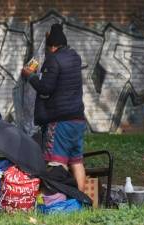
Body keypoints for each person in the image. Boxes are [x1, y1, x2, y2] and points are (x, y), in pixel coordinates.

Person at [22, 23, 87, 192]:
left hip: (61, 122)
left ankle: (60, 201)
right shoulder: (75, 57)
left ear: (52, 46)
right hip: (78, 120)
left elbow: (46, 88)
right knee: (77, 161)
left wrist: (30, 76)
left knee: (58, 162)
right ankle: (81, 200)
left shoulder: (54, 59)